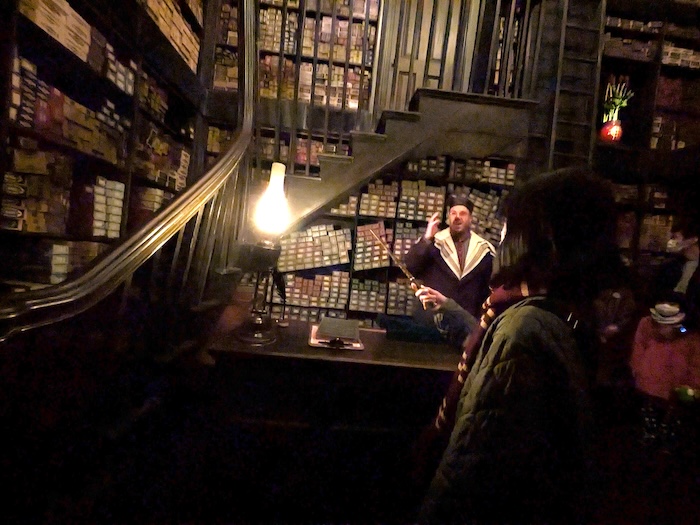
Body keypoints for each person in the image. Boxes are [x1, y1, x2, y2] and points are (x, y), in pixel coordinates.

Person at [415, 167, 626, 524]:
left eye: (509, 227)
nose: (501, 237)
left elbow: (473, 466)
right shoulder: (572, 312)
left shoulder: (524, 328)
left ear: (540, 239)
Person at [404, 194, 495, 320]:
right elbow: (410, 266)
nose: (457, 217)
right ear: (448, 218)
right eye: (453, 213)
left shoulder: (484, 250)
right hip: (433, 319)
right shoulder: (434, 243)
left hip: (466, 320)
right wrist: (426, 239)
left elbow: (489, 288)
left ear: (470, 218)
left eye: (462, 213)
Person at [654, 219, 699, 328]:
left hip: (692, 325)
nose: (671, 241)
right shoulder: (669, 265)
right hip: (664, 320)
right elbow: (655, 292)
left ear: (693, 239)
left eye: (675, 237)